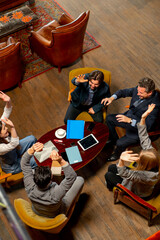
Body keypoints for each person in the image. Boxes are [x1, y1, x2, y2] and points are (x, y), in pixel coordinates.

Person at [105, 104, 160, 199]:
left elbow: (124, 174)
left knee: (109, 175)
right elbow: (144, 136)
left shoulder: (144, 175)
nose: (138, 156)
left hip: (138, 192)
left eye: (140, 157)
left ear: (144, 164)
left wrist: (121, 159)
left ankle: (112, 187)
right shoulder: (153, 157)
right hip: (140, 180)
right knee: (112, 167)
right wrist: (143, 118)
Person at [101, 77, 160, 161]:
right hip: (130, 116)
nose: (138, 93)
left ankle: (117, 154)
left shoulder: (155, 105)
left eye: (141, 93)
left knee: (120, 143)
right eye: (138, 90)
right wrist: (111, 98)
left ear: (150, 92)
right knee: (109, 118)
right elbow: (123, 92)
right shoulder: (139, 89)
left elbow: (148, 126)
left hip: (139, 129)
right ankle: (113, 139)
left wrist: (130, 121)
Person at [21, 142, 84, 218]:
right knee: (80, 180)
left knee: (31, 171)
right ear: (51, 179)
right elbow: (72, 176)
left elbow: (24, 163)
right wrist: (61, 160)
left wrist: (32, 150)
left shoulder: (29, 184)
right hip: (55, 213)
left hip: (37, 210)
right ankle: (76, 200)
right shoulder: (56, 193)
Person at [0, 91, 37, 174]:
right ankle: (34, 170)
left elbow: (6, 112)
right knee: (36, 160)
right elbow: (14, 143)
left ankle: (36, 154)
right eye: (4, 128)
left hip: (14, 151)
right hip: (13, 165)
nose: (6, 128)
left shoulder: (0, 126)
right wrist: (12, 127)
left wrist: (8, 101)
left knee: (32, 139)